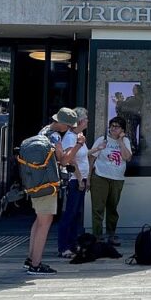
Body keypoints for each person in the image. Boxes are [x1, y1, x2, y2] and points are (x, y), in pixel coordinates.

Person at [26, 107, 78, 275]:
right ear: (61, 123)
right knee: (45, 223)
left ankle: (31, 258)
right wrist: (78, 145)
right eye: (68, 125)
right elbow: (63, 160)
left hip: (35, 182)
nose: (69, 128)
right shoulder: (54, 136)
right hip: (47, 184)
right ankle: (36, 264)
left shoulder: (43, 131)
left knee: (38, 221)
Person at [88, 116, 132, 246]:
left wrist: (120, 141)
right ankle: (97, 236)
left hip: (117, 179)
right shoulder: (102, 140)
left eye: (116, 126)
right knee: (98, 209)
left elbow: (127, 157)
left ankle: (111, 235)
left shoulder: (125, 140)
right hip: (100, 177)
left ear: (122, 129)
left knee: (112, 208)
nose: (113, 128)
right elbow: (91, 158)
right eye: (112, 126)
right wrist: (88, 178)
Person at [56, 108, 87, 258]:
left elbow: (82, 155)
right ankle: (64, 246)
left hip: (81, 179)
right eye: (86, 119)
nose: (88, 121)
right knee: (69, 213)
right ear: (80, 121)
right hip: (74, 180)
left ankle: (73, 243)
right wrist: (80, 178)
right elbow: (71, 160)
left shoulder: (79, 136)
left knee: (76, 214)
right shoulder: (70, 137)